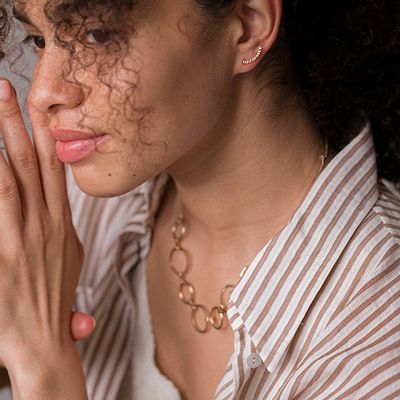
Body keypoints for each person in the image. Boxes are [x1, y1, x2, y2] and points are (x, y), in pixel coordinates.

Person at [0, 0, 398, 399]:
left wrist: (42, 364)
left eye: (96, 34)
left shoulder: (380, 339)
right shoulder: (65, 216)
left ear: (247, 25)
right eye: (38, 38)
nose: (42, 93)